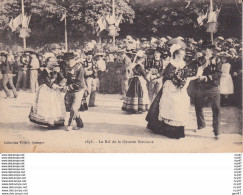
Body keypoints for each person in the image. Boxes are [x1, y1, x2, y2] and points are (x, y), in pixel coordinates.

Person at [146, 44, 198, 139]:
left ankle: (177, 130)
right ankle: (165, 129)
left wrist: (182, 80)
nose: (181, 56)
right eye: (179, 55)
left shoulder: (184, 64)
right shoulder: (172, 63)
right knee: (169, 106)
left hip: (180, 88)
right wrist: (173, 79)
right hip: (170, 87)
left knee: (179, 107)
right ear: (175, 55)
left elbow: (187, 74)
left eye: (182, 55)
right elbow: (165, 74)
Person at [193, 47, 222, 140]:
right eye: (205, 49)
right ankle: (201, 126)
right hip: (201, 87)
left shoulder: (217, 60)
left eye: (209, 49)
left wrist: (208, 77)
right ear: (203, 51)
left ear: (212, 51)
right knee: (198, 106)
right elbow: (194, 72)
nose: (207, 51)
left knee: (216, 108)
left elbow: (219, 73)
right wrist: (199, 77)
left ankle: (217, 132)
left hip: (213, 87)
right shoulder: (199, 60)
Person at [29, 56, 66, 127]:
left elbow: (61, 79)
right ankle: (49, 121)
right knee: (48, 105)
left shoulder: (56, 70)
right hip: (46, 89)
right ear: (47, 62)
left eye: (53, 61)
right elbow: (47, 81)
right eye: (50, 61)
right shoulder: (44, 70)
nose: (52, 63)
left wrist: (60, 78)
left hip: (54, 89)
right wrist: (54, 85)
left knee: (55, 104)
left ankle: (55, 120)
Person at [63, 52, 87, 131]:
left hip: (78, 90)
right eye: (66, 61)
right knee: (71, 108)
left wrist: (68, 87)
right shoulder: (66, 67)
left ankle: (70, 124)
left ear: (73, 59)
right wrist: (63, 82)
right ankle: (80, 123)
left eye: (68, 60)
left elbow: (79, 83)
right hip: (70, 90)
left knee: (74, 108)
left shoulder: (79, 67)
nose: (67, 62)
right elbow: (66, 77)